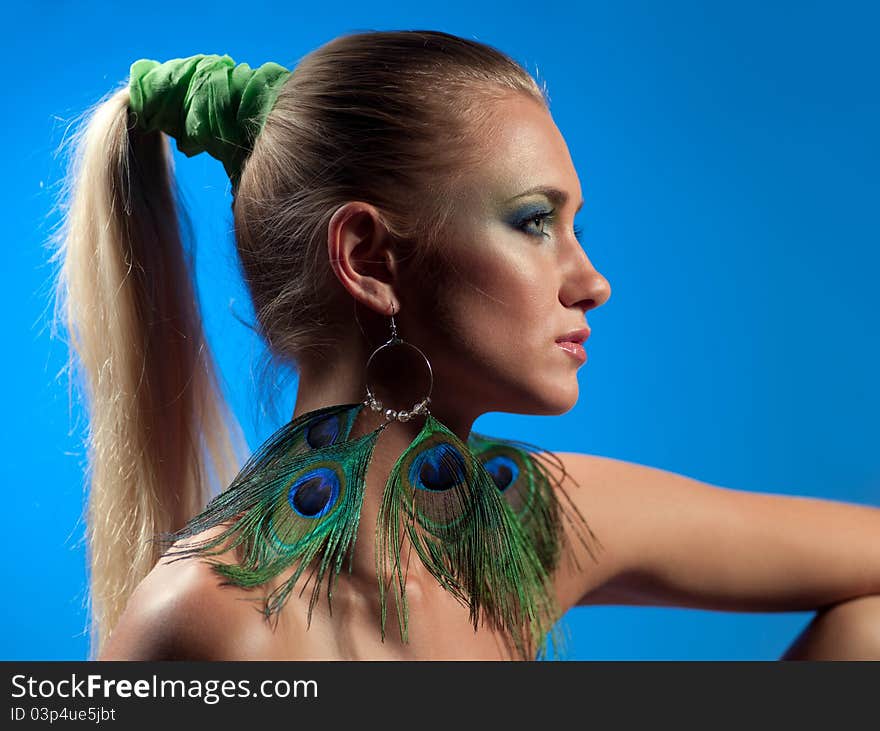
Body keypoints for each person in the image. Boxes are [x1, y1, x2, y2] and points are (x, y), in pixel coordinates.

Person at [50, 29, 880, 662]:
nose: (591, 281)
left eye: (573, 226)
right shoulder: (201, 624)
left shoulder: (534, 519)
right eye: (533, 222)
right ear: (369, 259)